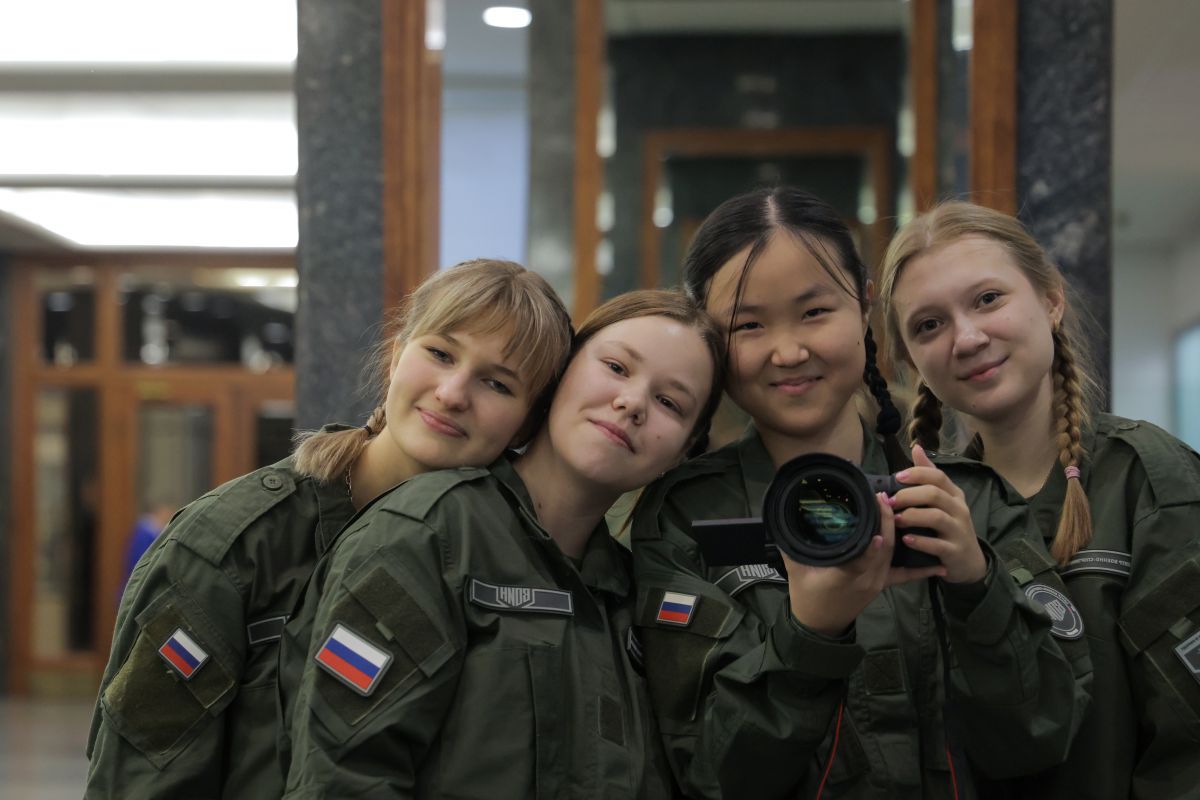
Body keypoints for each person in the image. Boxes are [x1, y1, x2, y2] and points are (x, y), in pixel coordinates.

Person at [631, 186, 1092, 799]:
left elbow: (1043, 739)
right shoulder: (687, 518)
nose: (789, 351)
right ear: (712, 341)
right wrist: (811, 634)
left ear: (865, 306)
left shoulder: (968, 500)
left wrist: (976, 586)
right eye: (748, 325)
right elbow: (711, 777)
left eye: (815, 312)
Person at [84, 259, 574, 800]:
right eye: (440, 353)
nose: (453, 393)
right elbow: (142, 778)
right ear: (396, 355)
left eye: (497, 383)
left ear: (527, 425)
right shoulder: (232, 547)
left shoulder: (528, 568)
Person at [281, 289, 725, 798]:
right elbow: (343, 778)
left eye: (670, 402)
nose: (633, 404)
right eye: (616, 368)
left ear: (685, 449)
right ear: (559, 377)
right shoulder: (431, 531)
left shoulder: (636, 595)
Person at [879, 201, 1200, 799]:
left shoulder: (1150, 480)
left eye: (987, 299)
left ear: (1051, 299)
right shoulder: (915, 514)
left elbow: (1187, 753)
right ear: (910, 358)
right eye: (929, 325)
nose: (967, 338)